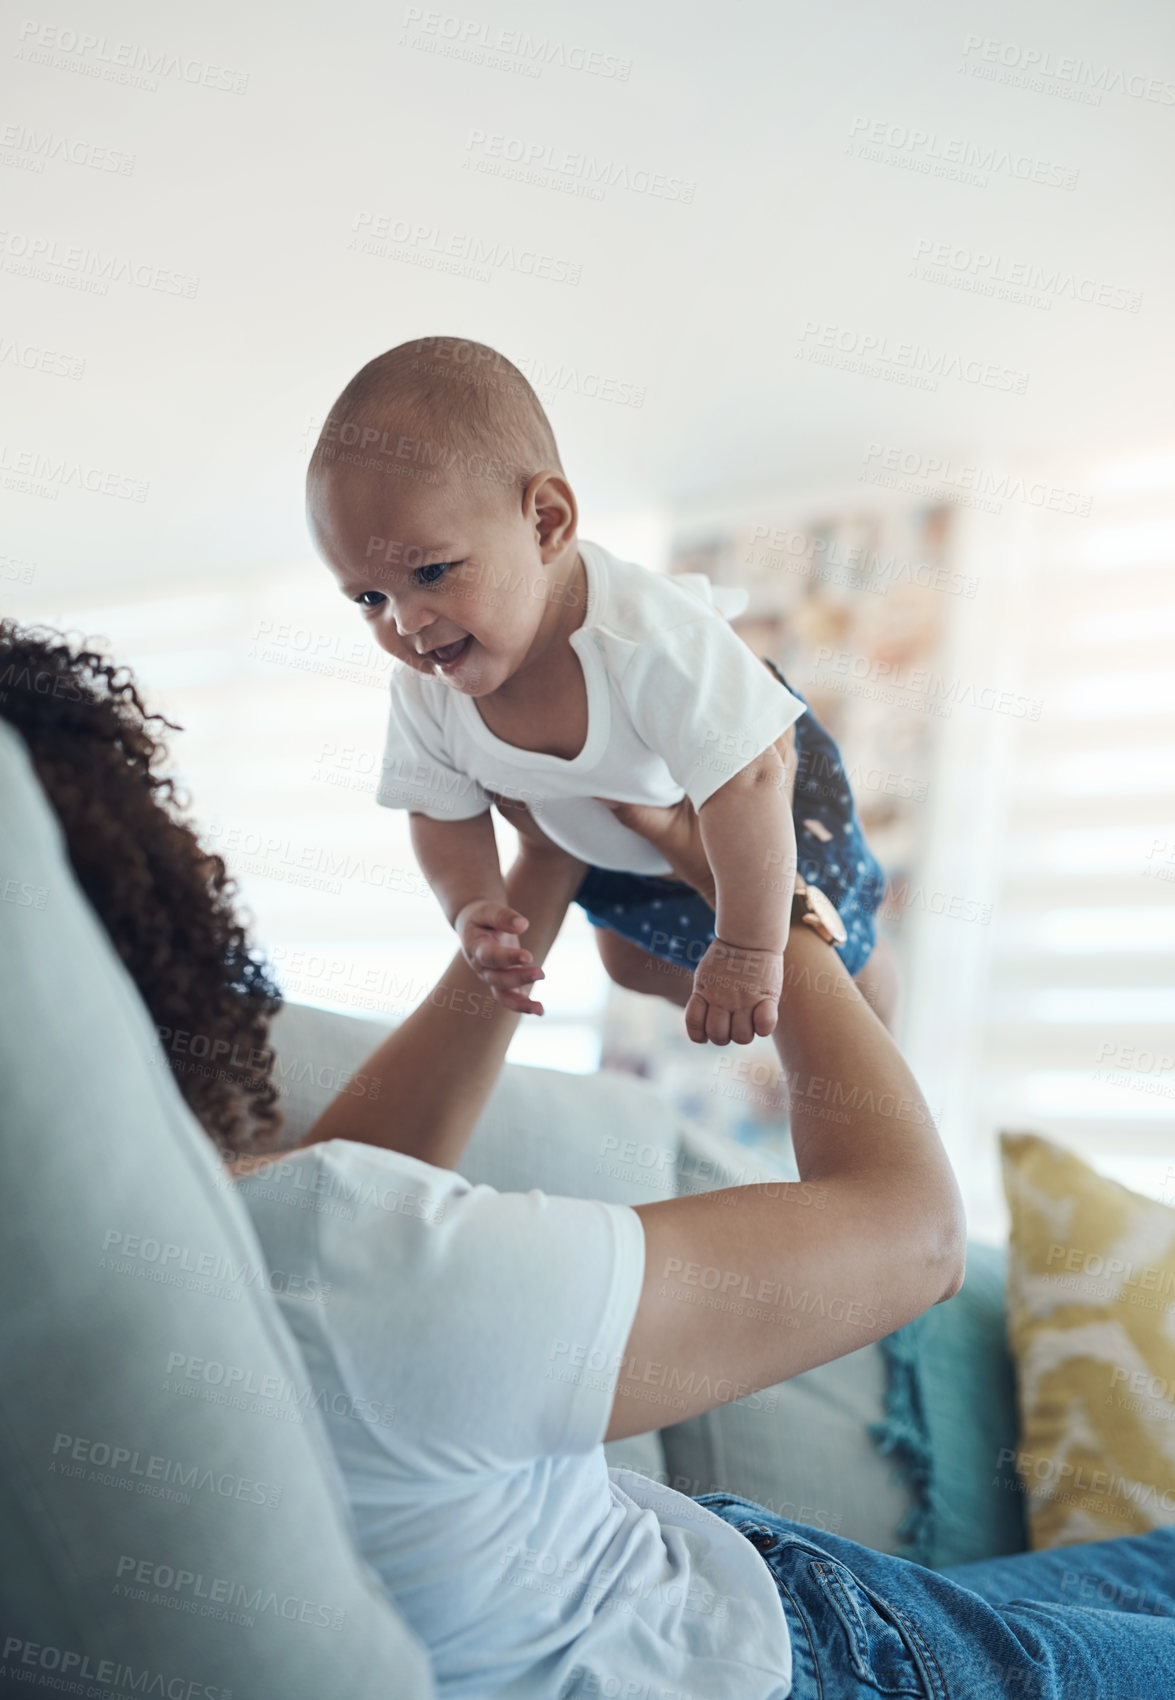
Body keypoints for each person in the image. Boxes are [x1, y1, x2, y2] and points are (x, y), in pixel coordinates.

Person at [5, 617, 1173, 1700]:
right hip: (827, 1655)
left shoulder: (170, 1298)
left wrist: (551, 865)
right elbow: (909, 1233)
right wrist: (762, 915)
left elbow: (328, 1207)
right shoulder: (358, 1271)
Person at [304, 334, 897, 1045]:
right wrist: (472, 905)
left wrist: (743, 947)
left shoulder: (648, 638)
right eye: (369, 596)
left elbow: (751, 781)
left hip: (764, 803)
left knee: (835, 964)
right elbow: (439, 813)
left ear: (546, 523)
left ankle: (872, 1017)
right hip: (619, 847)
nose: (405, 623)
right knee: (624, 962)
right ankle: (733, 977)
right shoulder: (425, 693)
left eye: (431, 573)